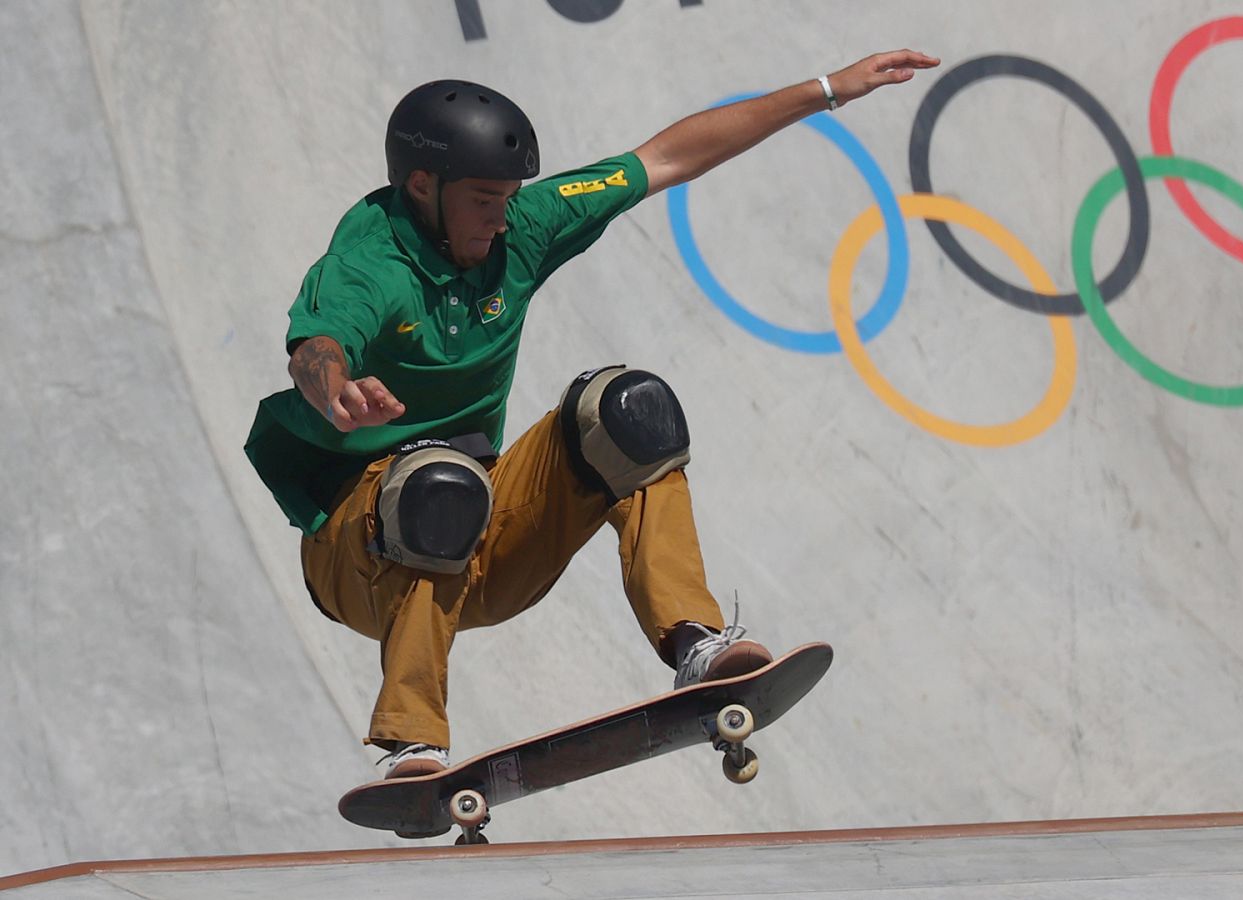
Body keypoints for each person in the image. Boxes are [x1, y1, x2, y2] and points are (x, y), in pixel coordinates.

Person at [244, 50, 940, 782]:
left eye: (510, 197)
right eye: (484, 199)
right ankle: (414, 742)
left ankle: (694, 641)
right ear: (423, 185)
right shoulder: (370, 265)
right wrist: (336, 393)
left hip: (483, 542)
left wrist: (827, 90)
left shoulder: (522, 228)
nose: (501, 217)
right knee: (434, 481)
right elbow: (315, 349)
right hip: (356, 560)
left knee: (629, 413)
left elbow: (665, 159)